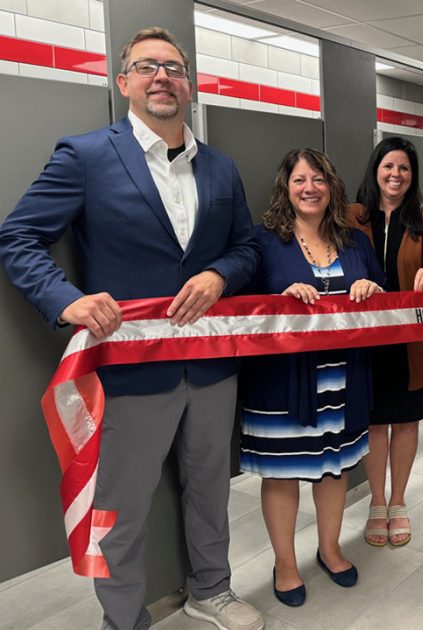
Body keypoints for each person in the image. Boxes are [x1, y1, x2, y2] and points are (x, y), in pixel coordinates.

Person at [0, 27, 263, 630]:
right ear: (124, 83)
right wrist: (65, 300)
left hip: (212, 364)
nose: (161, 76)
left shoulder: (221, 169)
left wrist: (221, 274)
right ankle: (123, 619)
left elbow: (247, 247)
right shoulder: (87, 155)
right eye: (147, 67)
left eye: (173, 67)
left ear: (190, 86)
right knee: (120, 507)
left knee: (210, 489)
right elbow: (17, 237)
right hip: (128, 370)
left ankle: (211, 590)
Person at [239, 149, 384, 606]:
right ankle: (285, 563)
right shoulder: (263, 242)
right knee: (281, 473)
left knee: (334, 467)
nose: (310, 188)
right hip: (283, 382)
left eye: (318, 179)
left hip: (344, 376)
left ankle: (329, 548)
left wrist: (370, 288)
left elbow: (383, 294)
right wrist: (279, 298)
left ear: (331, 186)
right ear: (286, 187)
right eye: (300, 180)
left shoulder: (355, 241)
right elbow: (242, 308)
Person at [347, 137, 423, 548]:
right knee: (374, 423)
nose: (396, 175)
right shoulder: (353, 216)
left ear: (413, 176)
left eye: (404, 168)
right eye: (389, 166)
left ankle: (399, 501)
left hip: (411, 343)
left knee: (406, 422)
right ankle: (376, 503)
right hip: (368, 342)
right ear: (376, 170)